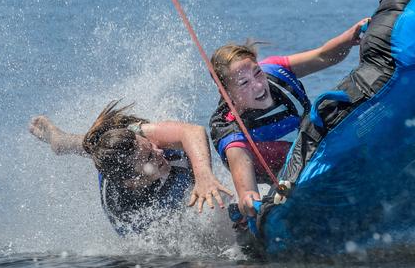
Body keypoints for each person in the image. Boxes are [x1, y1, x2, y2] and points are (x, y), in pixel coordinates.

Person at [209, 18, 369, 219]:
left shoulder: (276, 72)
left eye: (257, 73)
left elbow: (324, 56)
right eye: (244, 83)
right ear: (226, 93)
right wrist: (249, 202)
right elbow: (247, 192)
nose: (258, 86)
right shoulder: (230, 129)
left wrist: (349, 37)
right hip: (263, 162)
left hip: (304, 146)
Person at [29, 100, 232, 236]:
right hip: (127, 180)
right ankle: (60, 141)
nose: (159, 152)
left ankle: (62, 141)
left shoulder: (139, 139)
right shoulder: (126, 214)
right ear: (133, 181)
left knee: (95, 142)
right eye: (150, 157)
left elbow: (193, 132)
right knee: (94, 150)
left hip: (125, 142)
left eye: (150, 147)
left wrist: (204, 175)